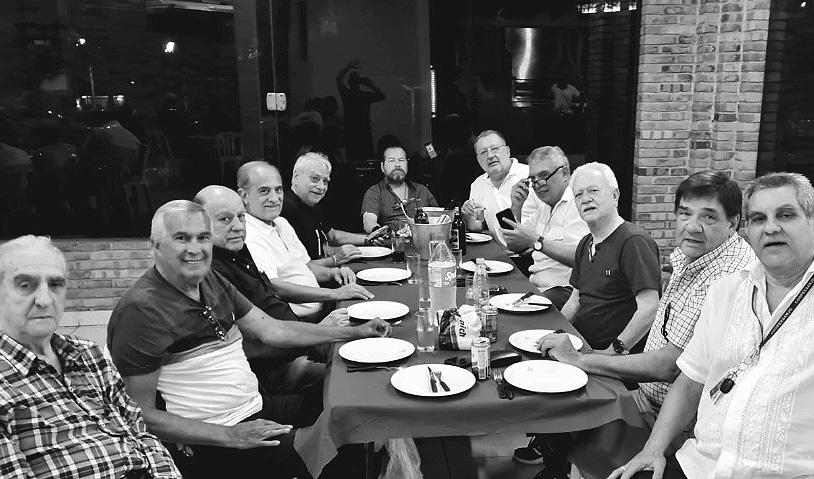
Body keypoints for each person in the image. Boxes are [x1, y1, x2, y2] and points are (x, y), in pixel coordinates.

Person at [107, 200, 391, 479]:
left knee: (353, 408)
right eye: (182, 238)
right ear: (155, 245)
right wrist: (231, 435)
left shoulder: (210, 281)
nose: (195, 248)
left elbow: (274, 330)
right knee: (336, 455)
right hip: (213, 443)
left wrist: (355, 332)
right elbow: (140, 414)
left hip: (257, 406)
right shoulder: (140, 311)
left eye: (203, 237)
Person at [519, 171, 756, 478]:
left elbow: (670, 366)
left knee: (567, 408)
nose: (692, 226)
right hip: (648, 393)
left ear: (734, 222)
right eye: (685, 213)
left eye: (708, 217)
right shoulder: (696, 257)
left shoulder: (725, 276)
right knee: (557, 400)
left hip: (680, 423)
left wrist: (587, 358)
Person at [610, 172, 814, 479]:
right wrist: (652, 450)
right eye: (759, 218)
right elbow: (691, 380)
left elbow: (666, 366)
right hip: (701, 464)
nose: (771, 227)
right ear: (747, 228)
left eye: (786, 215)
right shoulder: (727, 290)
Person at [0, 235, 180, 478]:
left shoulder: (87, 353)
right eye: (25, 285)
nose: (45, 299)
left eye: (55, 284)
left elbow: (142, 433)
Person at [198, 185, 346, 394]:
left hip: (299, 340)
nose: (238, 226)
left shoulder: (237, 248)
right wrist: (320, 331)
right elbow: (255, 343)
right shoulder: (212, 273)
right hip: (280, 367)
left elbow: (271, 295)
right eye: (225, 219)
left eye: (241, 217)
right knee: (354, 381)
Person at [239, 161, 370, 320]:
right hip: (298, 323)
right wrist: (335, 293)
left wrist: (334, 273)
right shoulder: (247, 232)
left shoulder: (281, 222)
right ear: (244, 196)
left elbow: (306, 266)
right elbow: (272, 286)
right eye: (264, 191)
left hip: (321, 309)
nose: (274, 198)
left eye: (278, 190)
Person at [561, 162, 661, 354]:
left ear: (614, 196)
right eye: (579, 195)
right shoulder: (585, 243)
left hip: (616, 358)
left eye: (593, 191)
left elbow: (649, 308)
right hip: (583, 349)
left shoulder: (634, 241)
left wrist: (611, 353)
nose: (585, 199)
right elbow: (575, 301)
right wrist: (553, 333)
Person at [501, 146, 589, 309]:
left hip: (565, 291)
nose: (538, 184)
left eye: (544, 176)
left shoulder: (577, 204)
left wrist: (536, 241)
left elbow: (580, 257)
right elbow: (514, 245)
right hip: (537, 286)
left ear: (564, 173)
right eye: (533, 180)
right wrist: (516, 206)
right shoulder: (544, 207)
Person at [282, 152, 387, 261]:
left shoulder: (311, 203)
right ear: (296, 176)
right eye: (314, 179)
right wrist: (336, 258)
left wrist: (368, 238)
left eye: (325, 181)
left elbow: (332, 236)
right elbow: (299, 265)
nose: (321, 187)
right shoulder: (286, 210)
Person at [461, 129, 537, 247]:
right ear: (478, 160)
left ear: (507, 151)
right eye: (483, 152)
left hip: (535, 250)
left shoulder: (530, 174)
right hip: (501, 252)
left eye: (495, 149)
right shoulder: (478, 185)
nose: (490, 155)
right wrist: (469, 214)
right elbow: (477, 225)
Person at [361, 141, 438, 233]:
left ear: (407, 164)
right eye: (391, 160)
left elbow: (439, 217)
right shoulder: (374, 192)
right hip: (391, 240)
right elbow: (369, 221)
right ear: (382, 167)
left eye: (401, 160)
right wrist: (379, 232)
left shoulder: (422, 190)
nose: (397, 164)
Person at [336, 59, 385, 163]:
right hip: (363, 131)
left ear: (349, 82)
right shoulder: (364, 96)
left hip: (351, 131)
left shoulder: (347, 95)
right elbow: (382, 96)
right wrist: (369, 84)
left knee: (353, 160)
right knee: (366, 159)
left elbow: (339, 78)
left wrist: (348, 66)